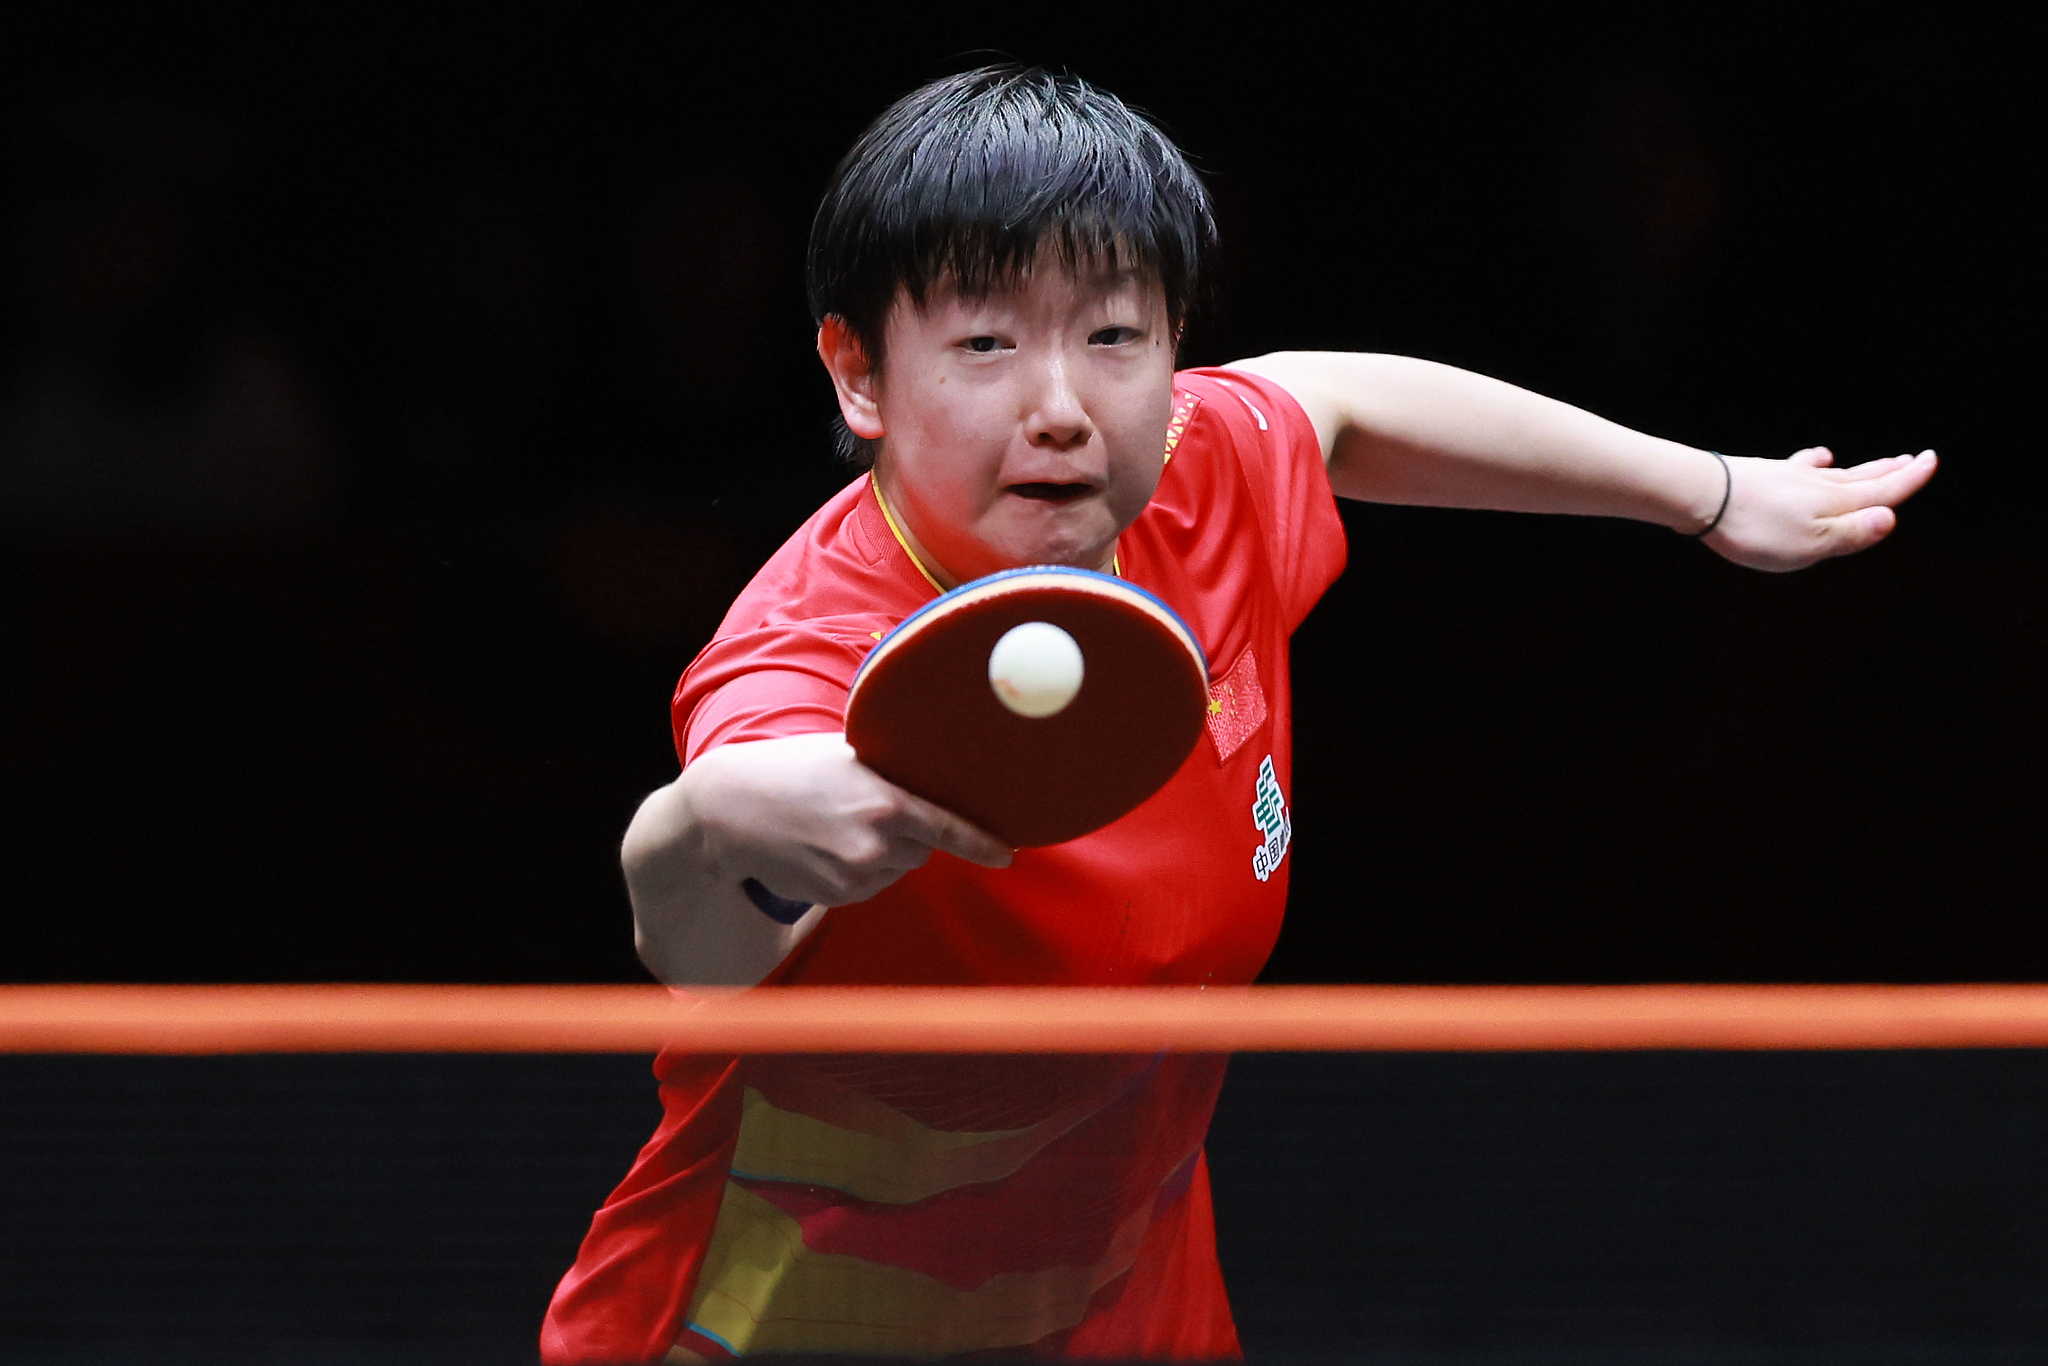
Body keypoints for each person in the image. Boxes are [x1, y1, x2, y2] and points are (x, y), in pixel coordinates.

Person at [541, 66, 1935, 1364]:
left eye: (1113, 334)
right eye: (982, 340)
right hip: (777, 1331)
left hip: (1125, 1316)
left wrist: (1709, 492)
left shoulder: (1198, 482)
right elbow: (699, 934)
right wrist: (704, 817)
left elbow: (1331, 398)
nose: (1063, 407)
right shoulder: (805, 655)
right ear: (858, 375)